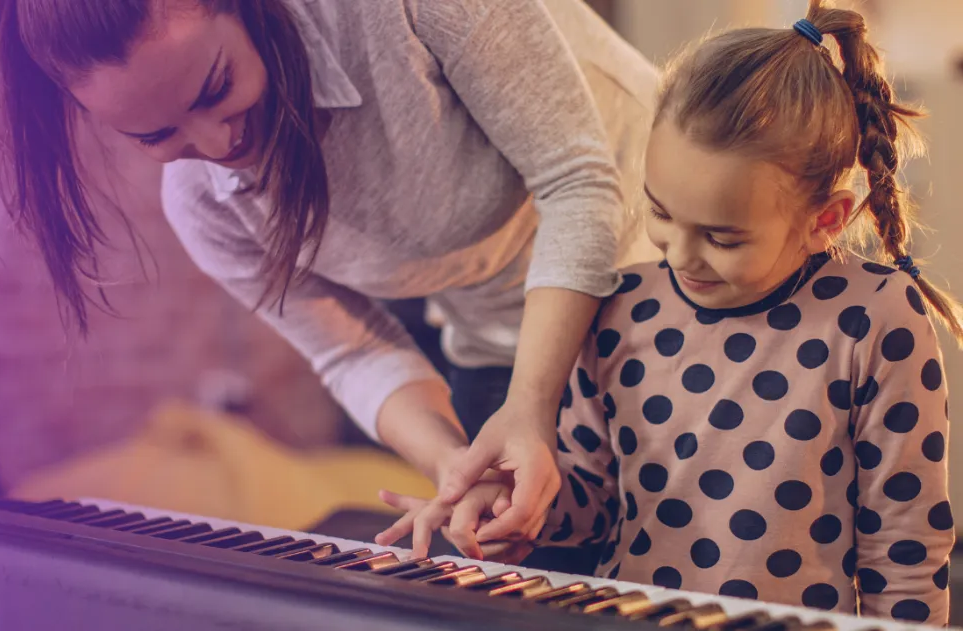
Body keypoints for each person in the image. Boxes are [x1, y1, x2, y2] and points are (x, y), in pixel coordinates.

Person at [0, 0, 659, 567]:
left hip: (677, 272)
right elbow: (354, 352)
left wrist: (532, 406)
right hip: (497, 329)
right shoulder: (205, 204)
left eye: (215, 88)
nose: (214, 147)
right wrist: (457, 465)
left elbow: (577, 181)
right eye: (157, 135)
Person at [380, 1, 957, 624]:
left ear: (826, 221)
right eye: (659, 212)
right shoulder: (621, 303)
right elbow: (595, 501)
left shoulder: (877, 317)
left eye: (723, 237)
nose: (681, 255)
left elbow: (903, 545)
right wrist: (516, 502)